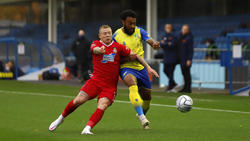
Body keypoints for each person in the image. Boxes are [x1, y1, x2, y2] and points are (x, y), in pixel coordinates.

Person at [49, 25, 158, 135]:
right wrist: (99, 50)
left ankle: (87, 128)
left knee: (102, 105)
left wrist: (148, 68)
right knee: (78, 101)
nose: (107, 35)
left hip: (109, 86)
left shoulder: (118, 47)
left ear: (111, 34)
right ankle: (60, 118)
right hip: (95, 82)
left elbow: (136, 56)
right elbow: (94, 50)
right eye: (104, 33)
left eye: (109, 33)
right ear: (100, 36)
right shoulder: (95, 44)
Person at [113, 9, 160, 129]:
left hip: (141, 67)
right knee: (132, 85)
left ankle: (141, 113)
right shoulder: (116, 36)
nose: (133, 26)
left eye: (134, 23)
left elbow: (149, 40)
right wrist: (126, 59)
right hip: (126, 67)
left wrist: (154, 44)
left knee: (147, 100)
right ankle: (143, 120)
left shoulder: (140, 31)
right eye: (130, 23)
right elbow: (114, 57)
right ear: (123, 22)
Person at [160, 24, 178, 92]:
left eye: (168, 27)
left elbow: (172, 45)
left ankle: (170, 86)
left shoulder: (174, 36)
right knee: (165, 70)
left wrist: (165, 44)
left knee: (171, 72)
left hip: (172, 57)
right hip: (166, 57)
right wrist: (167, 44)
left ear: (171, 28)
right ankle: (173, 83)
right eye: (166, 27)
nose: (167, 28)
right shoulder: (164, 36)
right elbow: (161, 44)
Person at [177, 24, 194, 93]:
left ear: (187, 30)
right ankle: (185, 87)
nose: (183, 30)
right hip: (182, 59)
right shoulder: (181, 37)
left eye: (185, 29)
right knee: (184, 73)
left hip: (186, 59)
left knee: (187, 74)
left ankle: (188, 88)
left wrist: (189, 59)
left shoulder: (189, 38)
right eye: (182, 29)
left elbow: (190, 50)